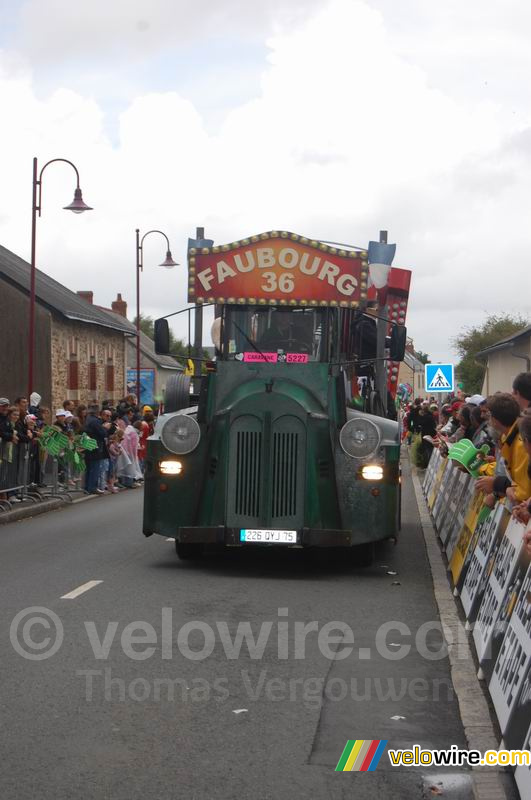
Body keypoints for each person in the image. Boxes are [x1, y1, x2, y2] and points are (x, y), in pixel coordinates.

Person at [475, 393, 531, 507]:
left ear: (495, 420)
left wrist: (498, 486)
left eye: (488, 416)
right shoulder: (508, 438)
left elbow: (523, 492)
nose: (486, 420)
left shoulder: (520, 444)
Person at [83, 404, 112, 495]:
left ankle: (87, 487)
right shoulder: (95, 422)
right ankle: (92, 487)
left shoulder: (88, 420)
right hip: (95, 447)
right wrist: (106, 428)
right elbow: (103, 433)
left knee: (89, 468)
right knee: (94, 468)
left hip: (89, 446)